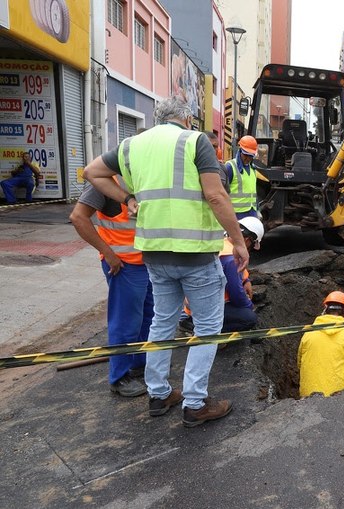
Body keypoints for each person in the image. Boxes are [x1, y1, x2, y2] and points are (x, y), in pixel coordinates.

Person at [84, 96, 249, 428]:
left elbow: (92, 172)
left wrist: (127, 198)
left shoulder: (132, 145)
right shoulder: (195, 141)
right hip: (196, 254)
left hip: (154, 253)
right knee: (206, 328)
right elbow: (216, 195)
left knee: (162, 323)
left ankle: (158, 395)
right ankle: (195, 403)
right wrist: (239, 241)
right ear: (187, 118)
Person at [69, 177, 152, 398]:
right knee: (125, 322)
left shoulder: (148, 173)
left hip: (149, 262)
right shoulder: (106, 179)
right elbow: (78, 217)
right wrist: (108, 253)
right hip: (123, 265)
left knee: (148, 318)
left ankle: (140, 364)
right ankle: (119, 377)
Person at [182, 216, 261, 334]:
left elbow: (235, 272)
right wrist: (249, 306)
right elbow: (236, 294)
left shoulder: (224, 245)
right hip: (204, 308)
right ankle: (201, 330)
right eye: (252, 244)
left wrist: (246, 280)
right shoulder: (231, 259)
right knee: (248, 318)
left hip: (196, 303)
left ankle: (195, 322)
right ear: (247, 240)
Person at [297, 291, 344, 398]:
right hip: (340, 397)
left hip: (308, 398)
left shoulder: (309, 333)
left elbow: (300, 364)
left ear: (325, 309)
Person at [225, 135, 259, 220]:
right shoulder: (230, 167)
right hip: (236, 214)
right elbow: (222, 191)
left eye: (251, 156)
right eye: (245, 155)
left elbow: (253, 192)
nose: (248, 158)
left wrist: (257, 210)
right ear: (240, 151)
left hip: (252, 212)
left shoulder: (253, 168)